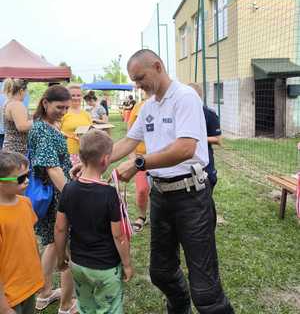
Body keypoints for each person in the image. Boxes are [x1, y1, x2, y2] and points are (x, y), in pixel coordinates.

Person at [111, 50, 234, 313]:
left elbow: (185, 148)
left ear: (158, 66)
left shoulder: (185, 97)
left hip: (191, 196)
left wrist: (139, 163)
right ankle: (179, 309)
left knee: (206, 292)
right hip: (161, 196)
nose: (137, 85)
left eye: (140, 77)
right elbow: (128, 141)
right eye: (134, 80)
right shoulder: (148, 106)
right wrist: (91, 163)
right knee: (161, 272)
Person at [55, 129, 133, 314]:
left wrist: (60, 258)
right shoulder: (109, 194)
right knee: (109, 309)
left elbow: (60, 229)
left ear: (81, 157)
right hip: (105, 268)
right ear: (106, 160)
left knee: (85, 307)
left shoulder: (68, 189)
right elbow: (119, 235)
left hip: (78, 265)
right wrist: (127, 264)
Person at [28, 85, 76, 314]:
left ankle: (43, 294)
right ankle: (67, 305)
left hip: (51, 196)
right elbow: (52, 168)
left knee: (49, 244)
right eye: (59, 107)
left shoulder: (44, 126)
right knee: (66, 248)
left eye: (66, 107)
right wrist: (73, 196)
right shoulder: (43, 129)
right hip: (58, 196)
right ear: (45, 103)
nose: (63, 111)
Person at [0, 151, 44, 314]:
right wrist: (3, 307)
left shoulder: (26, 203)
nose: (26, 181)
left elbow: (29, 241)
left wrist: (38, 277)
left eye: (28, 175)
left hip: (28, 285)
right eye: (20, 178)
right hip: (8, 296)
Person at [188, 83, 222, 192]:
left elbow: (218, 140)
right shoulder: (182, 113)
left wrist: (198, 138)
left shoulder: (209, 114)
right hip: (187, 161)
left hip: (205, 161)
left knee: (206, 188)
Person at [127, 93, 150, 232]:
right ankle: (142, 216)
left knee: (158, 190)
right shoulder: (138, 107)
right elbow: (129, 133)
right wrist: (132, 156)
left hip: (160, 156)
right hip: (141, 157)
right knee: (142, 190)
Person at [61, 85, 92, 165]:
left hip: (86, 153)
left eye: (78, 95)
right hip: (68, 153)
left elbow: (91, 130)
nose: (76, 98)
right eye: (73, 95)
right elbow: (55, 131)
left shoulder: (86, 114)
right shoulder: (63, 113)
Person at [2, 79, 32, 155]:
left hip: (11, 148)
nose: (26, 94)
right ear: (21, 91)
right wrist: (39, 120)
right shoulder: (16, 104)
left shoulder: (9, 102)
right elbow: (22, 126)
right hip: (16, 150)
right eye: (26, 91)